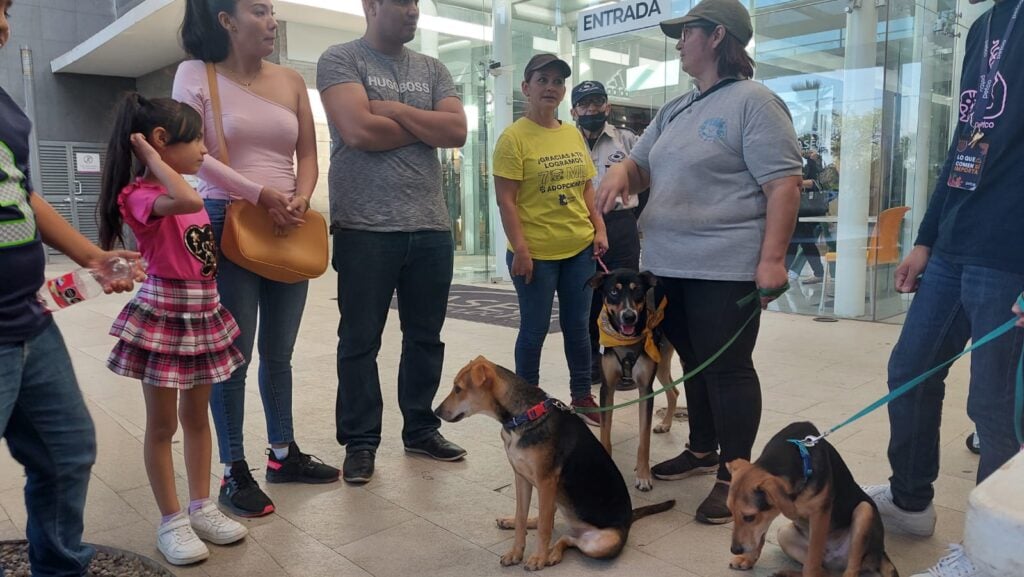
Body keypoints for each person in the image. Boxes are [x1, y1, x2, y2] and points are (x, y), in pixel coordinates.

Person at [596, 0, 803, 523]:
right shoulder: (675, 109)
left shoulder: (755, 103)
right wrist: (622, 176)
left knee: (728, 369)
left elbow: (784, 184)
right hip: (667, 266)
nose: (678, 41)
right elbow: (641, 165)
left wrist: (773, 259)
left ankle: (736, 476)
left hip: (724, 268)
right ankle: (704, 447)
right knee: (692, 359)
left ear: (716, 37)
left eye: (686, 32)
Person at [862, 0, 1024, 575]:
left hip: (1011, 253)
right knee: (910, 370)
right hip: (954, 246)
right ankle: (910, 501)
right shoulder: (985, 24)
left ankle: (994, 553)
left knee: (994, 407)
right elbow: (967, 139)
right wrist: (928, 237)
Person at [174, 0, 339, 518]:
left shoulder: (290, 79)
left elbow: (308, 152)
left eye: (272, 11)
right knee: (235, 355)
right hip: (227, 222)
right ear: (226, 20)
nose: (272, 20)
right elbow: (192, 155)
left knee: (281, 352)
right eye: (260, 10)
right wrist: (258, 193)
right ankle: (232, 470)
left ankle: (283, 454)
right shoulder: (194, 74)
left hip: (287, 222)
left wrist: (299, 196)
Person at [0, 3, 145, 574]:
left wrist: (91, 255)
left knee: (66, 453)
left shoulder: (6, 107)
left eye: (7, 7)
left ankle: (60, 567)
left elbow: (24, 192)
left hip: (28, 320)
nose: (3, 23)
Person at [316, 0, 469, 484]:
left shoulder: (433, 68)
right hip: (364, 228)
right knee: (360, 341)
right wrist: (424, 126)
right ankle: (360, 442)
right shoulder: (341, 58)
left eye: (417, 4)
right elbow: (359, 131)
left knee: (425, 337)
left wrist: (396, 111)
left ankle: (421, 428)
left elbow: (457, 131)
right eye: (402, 2)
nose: (413, 11)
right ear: (372, 5)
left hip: (430, 227)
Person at [99, 94, 250, 565]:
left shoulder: (186, 188)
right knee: (163, 425)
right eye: (196, 139)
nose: (205, 150)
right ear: (161, 142)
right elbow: (183, 199)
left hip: (202, 313)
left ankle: (201, 506)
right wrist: (149, 159)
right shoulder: (140, 195)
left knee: (197, 418)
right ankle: (172, 521)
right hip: (164, 317)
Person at [492, 54, 608, 426]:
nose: (551, 87)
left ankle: (581, 395)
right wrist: (521, 251)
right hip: (536, 254)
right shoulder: (513, 138)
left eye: (557, 82)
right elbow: (505, 200)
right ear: (526, 88)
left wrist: (599, 228)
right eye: (542, 80)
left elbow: (587, 187)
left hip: (578, 249)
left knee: (579, 327)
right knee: (534, 329)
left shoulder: (572, 132)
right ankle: (527, 402)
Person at [570, 80, 644, 389]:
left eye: (597, 102)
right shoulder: (564, 141)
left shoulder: (627, 140)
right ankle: (592, 365)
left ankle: (625, 365)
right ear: (574, 110)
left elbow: (647, 179)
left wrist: (628, 217)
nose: (591, 110)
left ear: (607, 107)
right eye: (584, 104)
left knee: (628, 295)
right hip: (580, 226)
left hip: (621, 225)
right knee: (588, 297)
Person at [785, 148, 825, 284]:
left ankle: (783, 273)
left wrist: (796, 183)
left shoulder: (815, 168)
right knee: (799, 243)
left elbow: (816, 184)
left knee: (798, 242)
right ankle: (818, 272)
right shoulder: (801, 167)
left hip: (806, 212)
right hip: (799, 211)